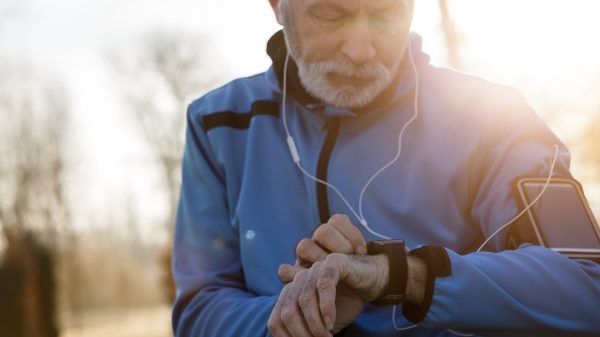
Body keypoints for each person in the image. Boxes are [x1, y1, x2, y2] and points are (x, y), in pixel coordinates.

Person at [171, 0, 600, 336]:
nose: (362, 50)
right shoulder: (217, 124)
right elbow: (198, 310)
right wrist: (306, 310)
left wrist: (400, 276)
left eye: (386, 13)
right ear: (277, 6)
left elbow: (588, 284)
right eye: (330, 13)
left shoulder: (493, 116)